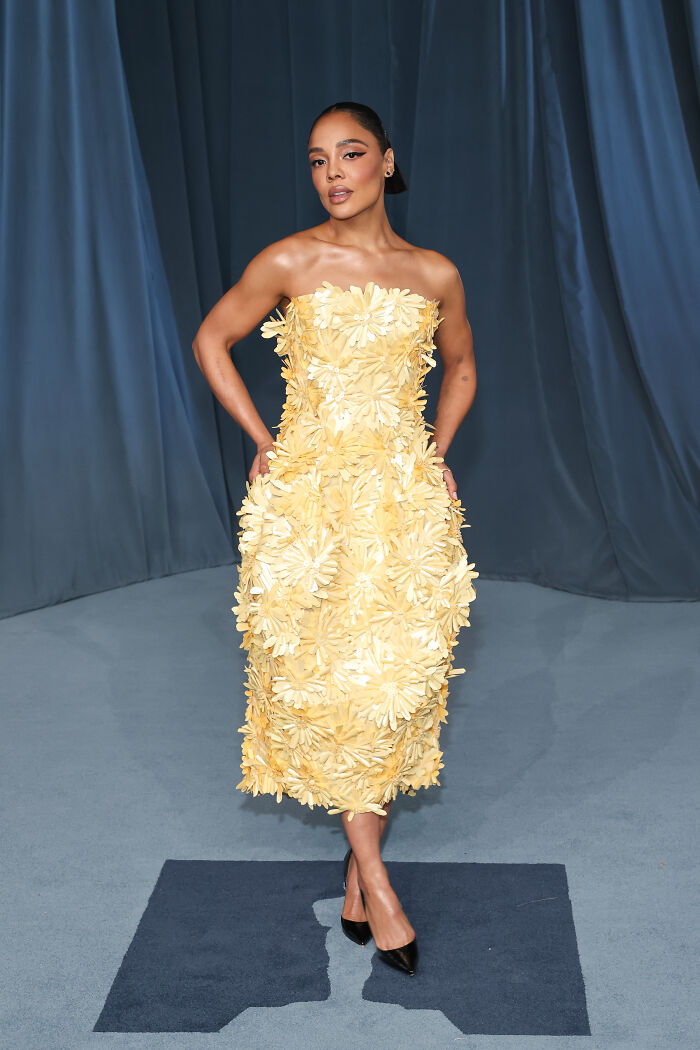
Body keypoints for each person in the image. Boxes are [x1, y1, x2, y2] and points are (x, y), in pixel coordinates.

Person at [192, 101, 478, 977]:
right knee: (338, 694)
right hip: (310, 505)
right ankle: (382, 887)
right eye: (318, 160)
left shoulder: (434, 273)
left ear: (387, 162)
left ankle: (357, 875)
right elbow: (213, 339)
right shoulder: (290, 260)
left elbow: (462, 368)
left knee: (394, 686)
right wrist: (264, 441)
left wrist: (436, 453)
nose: (334, 174)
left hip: (401, 508)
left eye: (351, 155)